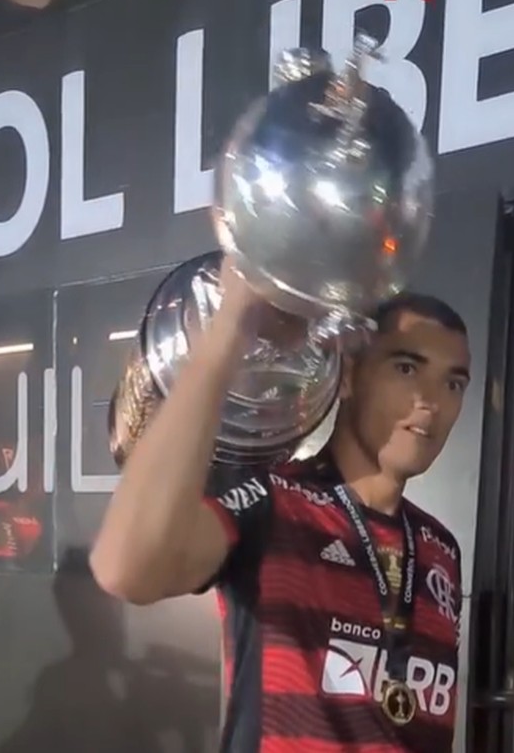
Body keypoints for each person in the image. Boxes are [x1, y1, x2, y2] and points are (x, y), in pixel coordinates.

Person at [90, 254, 471, 752]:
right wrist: (230, 327)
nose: (430, 402)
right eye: (406, 368)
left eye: (453, 383)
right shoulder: (274, 502)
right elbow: (125, 570)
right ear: (348, 375)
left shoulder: (441, 547)